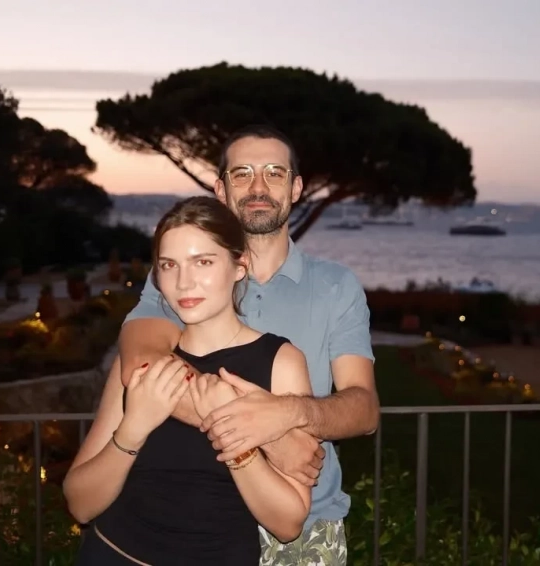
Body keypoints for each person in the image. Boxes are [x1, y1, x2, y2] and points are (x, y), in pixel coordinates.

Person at [117, 124, 379, 565]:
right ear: (221, 189)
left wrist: (288, 415)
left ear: (296, 188)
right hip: (196, 522)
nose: (258, 187)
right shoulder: (184, 278)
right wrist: (269, 441)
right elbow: (142, 364)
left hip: (305, 524)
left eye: (274, 173)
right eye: (242, 174)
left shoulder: (336, 285)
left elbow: (364, 408)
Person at [64, 196, 312, 564]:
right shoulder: (143, 363)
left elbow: (288, 523)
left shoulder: (280, 362)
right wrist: (133, 429)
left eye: (203, 262)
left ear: (239, 265)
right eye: (169, 265)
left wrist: (233, 440)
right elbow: (80, 505)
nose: (183, 282)